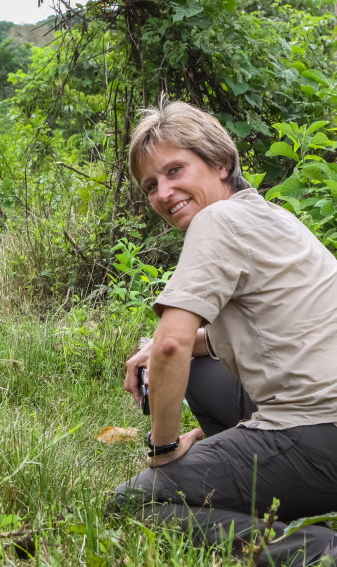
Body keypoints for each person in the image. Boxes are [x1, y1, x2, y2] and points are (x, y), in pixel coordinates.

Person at [110, 100, 337, 566]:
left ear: (220, 163)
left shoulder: (217, 220)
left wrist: (164, 449)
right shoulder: (272, 216)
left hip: (318, 437)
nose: (163, 192)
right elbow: (251, 331)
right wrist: (156, 352)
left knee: (136, 502)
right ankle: (253, 484)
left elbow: (172, 344)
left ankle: (319, 552)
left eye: (175, 170)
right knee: (199, 367)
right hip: (325, 427)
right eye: (151, 184)